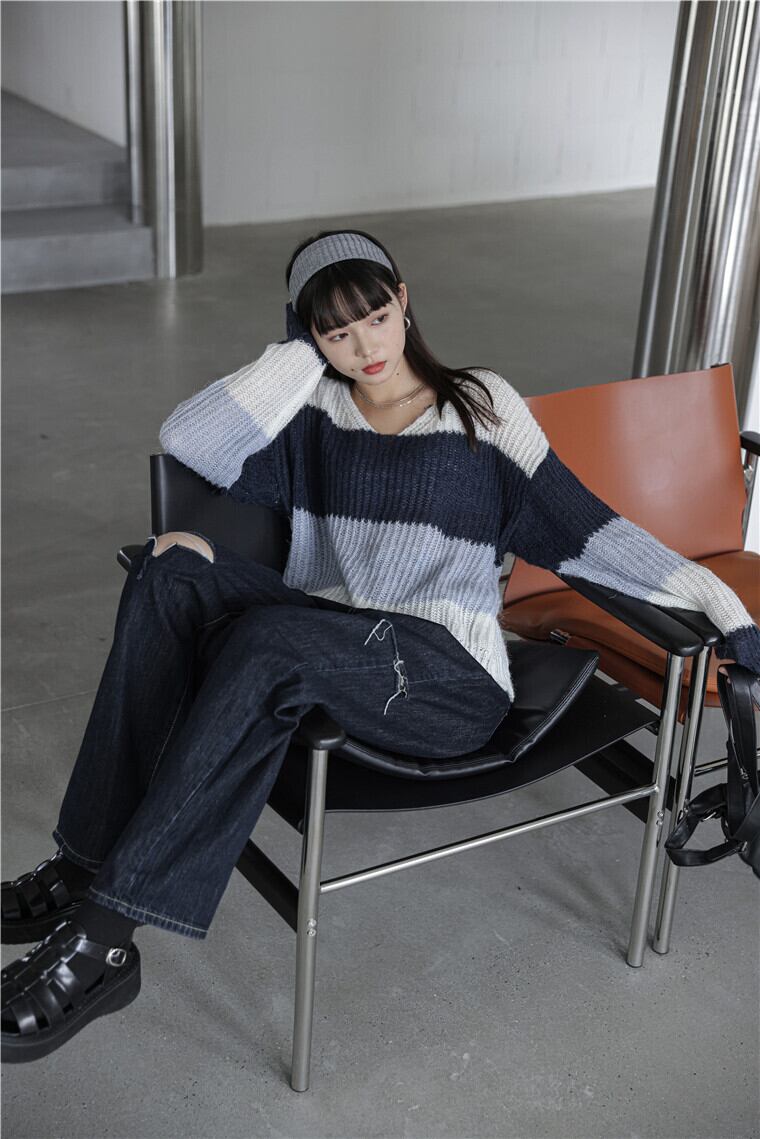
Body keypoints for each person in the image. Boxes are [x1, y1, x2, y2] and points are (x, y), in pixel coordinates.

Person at [2, 229, 759, 1064]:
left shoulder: (481, 405)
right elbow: (192, 439)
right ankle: (82, 866)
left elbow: (591, 533)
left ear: (403, 298)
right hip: (337, 638)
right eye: (335, 331)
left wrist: (724, 607)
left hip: (447, 676)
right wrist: (298, 356)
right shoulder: (314, 410)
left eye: (374, 316)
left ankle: (104, 939)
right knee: (167, 568)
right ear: (309, 336)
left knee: (268, 641)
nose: (364, 346)